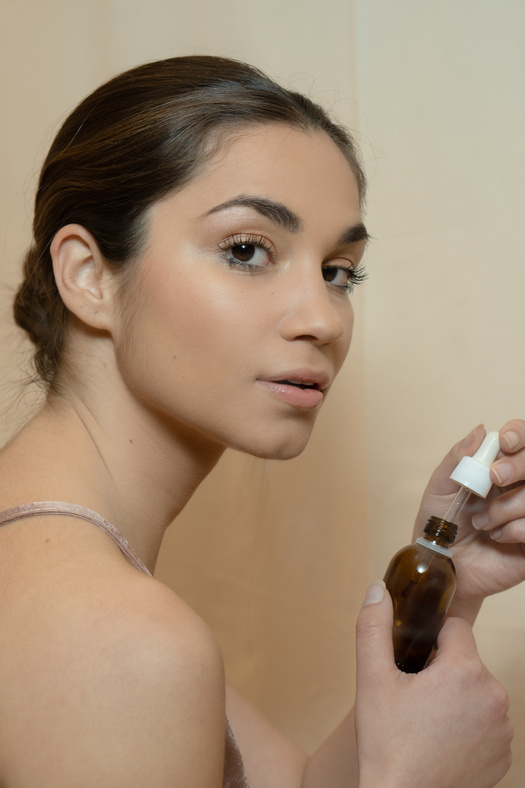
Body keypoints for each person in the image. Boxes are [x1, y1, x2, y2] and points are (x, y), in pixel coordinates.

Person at [0, 54, 522, 787]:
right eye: (247, 250)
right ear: (90, 277)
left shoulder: (74, 574)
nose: (321, 318)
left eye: (337, 271)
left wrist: (437, 589)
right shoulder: (112, 638)